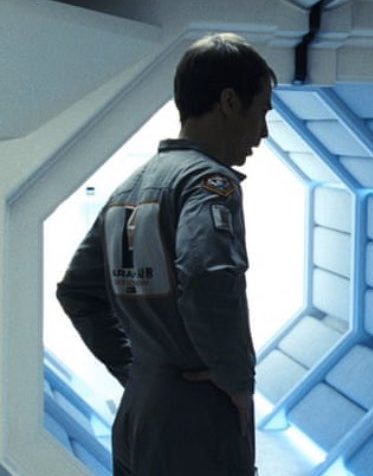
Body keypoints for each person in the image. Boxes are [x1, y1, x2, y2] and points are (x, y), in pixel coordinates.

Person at [56, 32, 276, 476]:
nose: (264, 132)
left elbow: (77, 292)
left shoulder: (129, 190)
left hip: (139, 416)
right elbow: (207, 273)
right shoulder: (208, 182)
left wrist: (136, 369)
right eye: (263, 112)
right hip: (196, 419)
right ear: (229, 102)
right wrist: (236, 381)